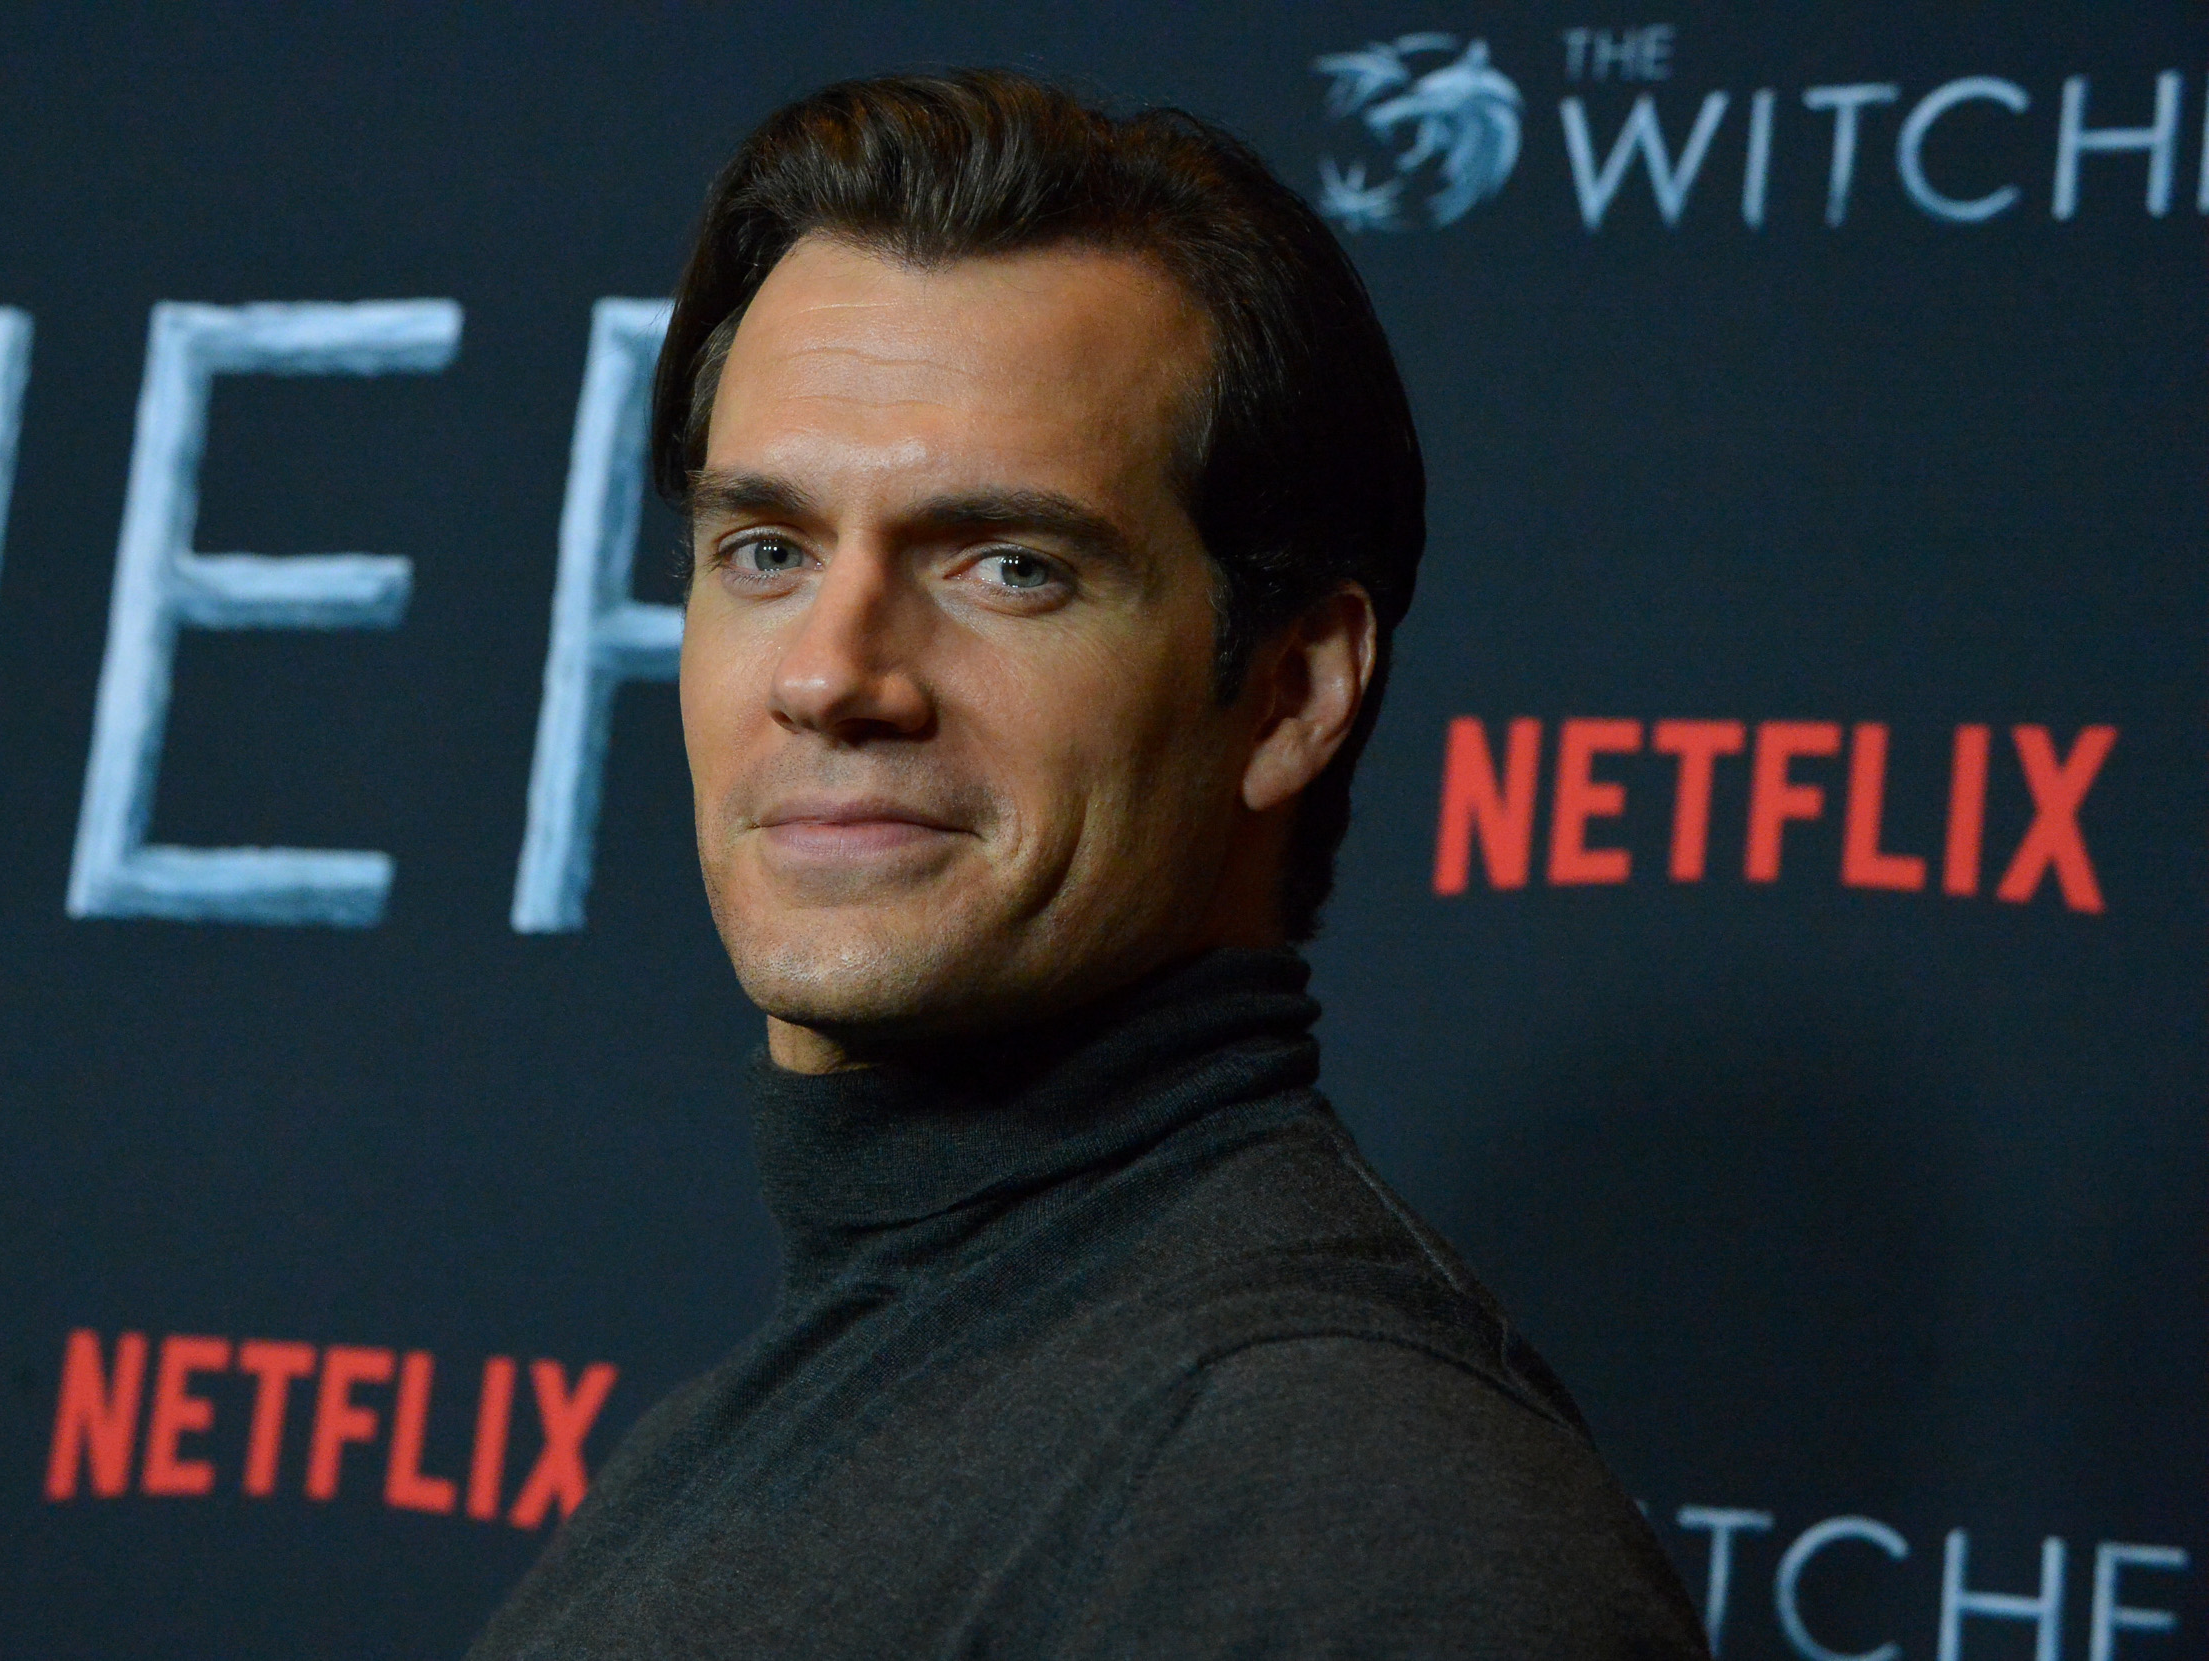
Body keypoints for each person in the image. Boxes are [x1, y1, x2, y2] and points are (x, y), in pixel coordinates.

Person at [470, 70, 1708, 1660]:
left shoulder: (1352, 1506)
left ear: (1290, 694)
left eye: (1009, 566)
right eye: (767, 550)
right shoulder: (833, 1382)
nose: (832, 674)